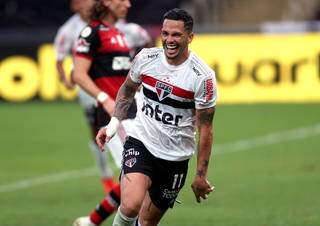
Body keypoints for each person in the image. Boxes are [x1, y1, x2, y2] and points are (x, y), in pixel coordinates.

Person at [95, 7, 217, 226]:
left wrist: (201, 175)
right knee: (130, 205)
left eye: (176, 35)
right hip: (141, 142)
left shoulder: (202, 77)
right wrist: (113, 126)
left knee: (147, 221)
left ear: (190, 37)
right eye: (165, 33)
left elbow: (206, 128)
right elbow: (127, 90)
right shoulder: (146, 58)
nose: (169, 40)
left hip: (175, 158)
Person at [72, 0, 150, 226]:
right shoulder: (91, 32)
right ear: (107, 2)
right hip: (113, 118)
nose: (128, 3)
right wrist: (104, 98)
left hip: (133, 113)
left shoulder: (118, 33)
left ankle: (91, 222)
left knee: (139, 176)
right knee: (138, 177)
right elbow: (78, 74)